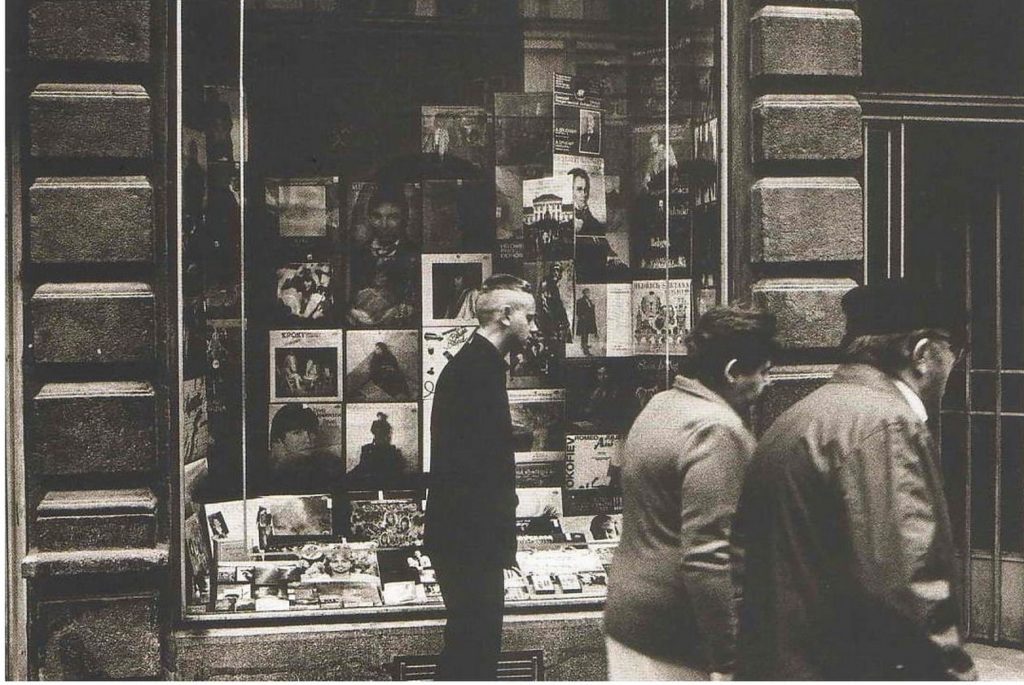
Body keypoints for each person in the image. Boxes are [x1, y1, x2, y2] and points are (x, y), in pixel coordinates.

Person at [732, 279, 976, 680]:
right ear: (921, 353)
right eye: (955, 350)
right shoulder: (887, 425)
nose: (956, 365)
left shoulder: (801, 414)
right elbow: (908, 588)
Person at [604, 306, 777, 680]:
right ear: (732, 372)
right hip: (677, 635)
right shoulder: (716, 430)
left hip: (630, 616)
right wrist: (728, 661)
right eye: (763, 372)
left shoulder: (661, 405)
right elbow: (707, 556)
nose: (768, 384)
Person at [423, 274, 539, 681]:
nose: (536, 326)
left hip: (466, 539)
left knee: (469, 648)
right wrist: (495, 543)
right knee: (473, 653)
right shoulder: (477, 371)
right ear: (507, 316)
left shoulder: (477, 365)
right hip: (469, 541)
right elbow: (476, 470)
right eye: (531, 316)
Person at [267, 404, 345, 493]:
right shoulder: (267, 471)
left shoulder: (328, 465)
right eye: (297, 433)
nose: (308, 439)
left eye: (311, 432)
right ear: (279, 439)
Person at [574, 288, 598, 356]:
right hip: (583, 322)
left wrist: (593, 305)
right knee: (584, 334)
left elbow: (591, 310)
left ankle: (584, 345)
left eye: (589, 293)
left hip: (589, 321)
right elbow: (578, 312)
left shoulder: (590, 301)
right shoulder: (580, 301)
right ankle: (585, 351)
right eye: (587, 293)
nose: (589, 294)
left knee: (586, 334)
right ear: (584, 293)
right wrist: (582, 317)